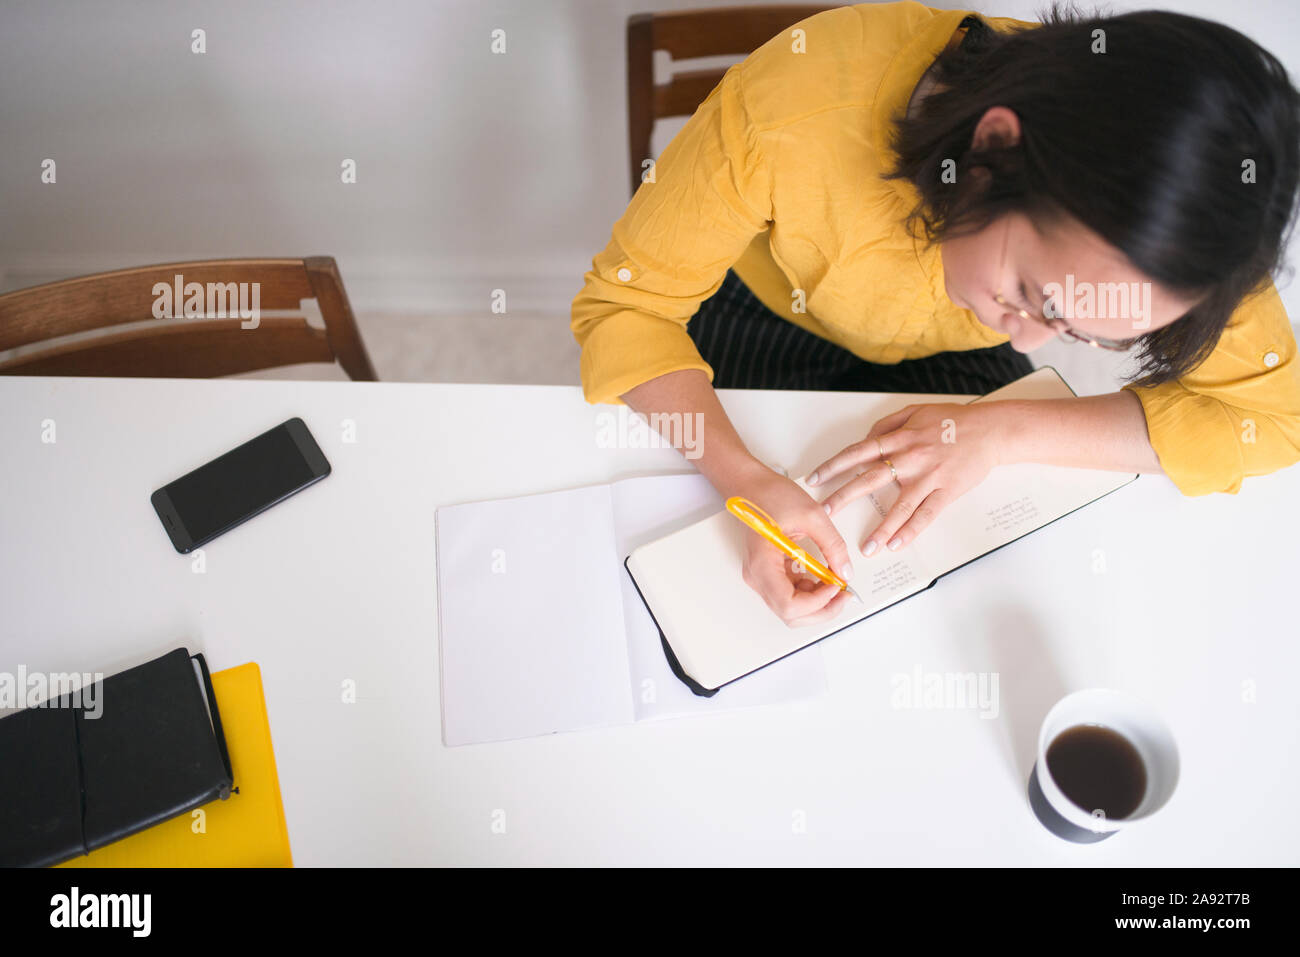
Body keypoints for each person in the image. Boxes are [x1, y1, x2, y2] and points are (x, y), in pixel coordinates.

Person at [571, 1, 1300, 627]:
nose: (1026, 340)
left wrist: (1004, 429)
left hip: (944, 353)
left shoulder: (1193, 227)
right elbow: (626, 306)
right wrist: (744, 480)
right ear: (992, 148)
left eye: (1077, 330)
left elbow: (1273, 418)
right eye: (1032, 294)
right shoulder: (790, 109)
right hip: (767, 310)